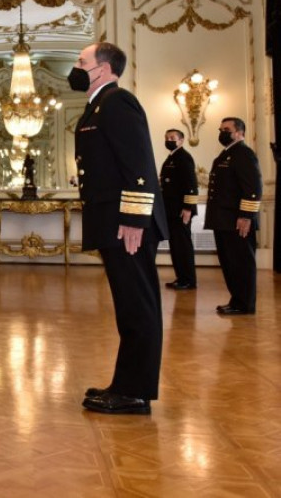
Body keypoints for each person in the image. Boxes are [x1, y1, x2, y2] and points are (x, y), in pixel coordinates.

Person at [71, 42, 168, 415]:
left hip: (127, 224)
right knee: (128, 307)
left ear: (104, 68)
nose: (76, 68)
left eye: (82, 62)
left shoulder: (117, 102)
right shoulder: (98, 105)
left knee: (137, 306)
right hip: (114, 221)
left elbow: (139, 163)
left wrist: (133, 219)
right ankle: (126, 384)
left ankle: (135, 392)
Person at [205, 117, 262, 315]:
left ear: (239, 132)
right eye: (220, 129)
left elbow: (253, 188)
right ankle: (236, 300)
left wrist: (246, 216)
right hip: (223, 220)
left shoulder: (244, 154)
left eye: (226, 129)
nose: (222, 132)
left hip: (237, 221)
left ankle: (245, 304)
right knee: (230, 264)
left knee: (242, 264)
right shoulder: (225, 155)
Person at [160, 129, 199, 290]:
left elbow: (191, 185)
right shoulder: (171, 158)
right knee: (176, 246)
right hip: (171, 210)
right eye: (167, 137)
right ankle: (181, 277)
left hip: (181, 211)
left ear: (181, 140)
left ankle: (188, 279)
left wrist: (188, 208)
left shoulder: (183, 157)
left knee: (182, 246)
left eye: (172, 138)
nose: (169, 140)